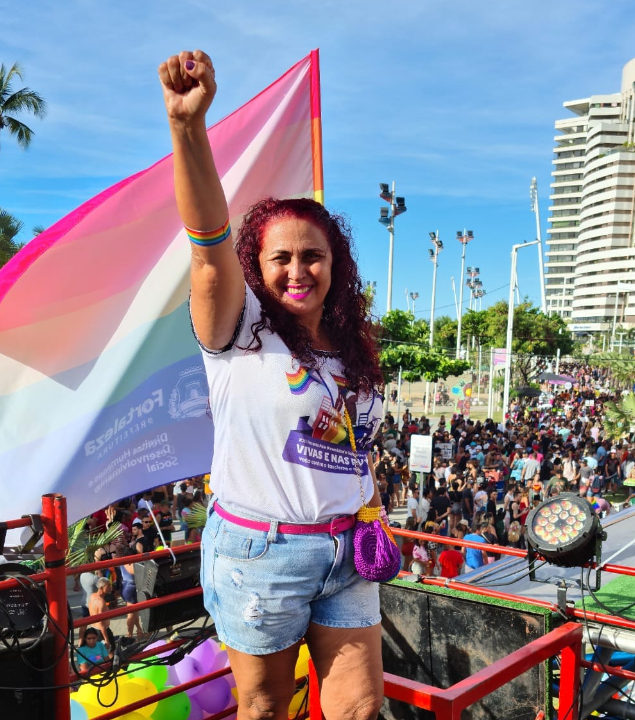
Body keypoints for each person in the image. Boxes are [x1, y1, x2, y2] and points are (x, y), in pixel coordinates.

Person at [160, 49, 386, 720]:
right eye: (279, 256)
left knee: (361, 707)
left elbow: (353, 443)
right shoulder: (239, 330)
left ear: (335, 266)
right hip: (264, 554)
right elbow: (208, 248)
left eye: (313, 256)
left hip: (349, 550)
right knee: (263, 710)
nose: (297, 269)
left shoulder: (351, 346)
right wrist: (187, 127)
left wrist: (372, 506)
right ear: (255, 266)